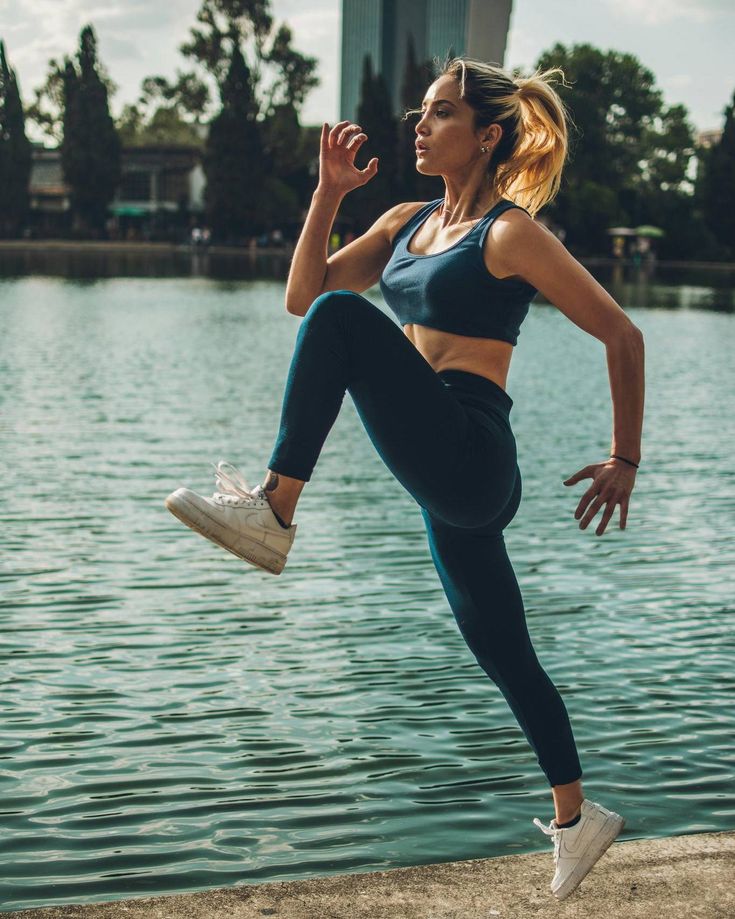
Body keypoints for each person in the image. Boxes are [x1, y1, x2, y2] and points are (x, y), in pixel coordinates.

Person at [164, 55, 644, 901]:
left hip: (469, 446)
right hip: (440, 473)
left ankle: (275, 508)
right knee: (504, 651)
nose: (420, 126)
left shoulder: (510, 231)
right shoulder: (402, 221)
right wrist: (326, 194)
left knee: (347, 320)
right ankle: (577, 817)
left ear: (486, 136)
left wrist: (623, 457)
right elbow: (301, 295)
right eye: (421, 113)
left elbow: (620, 334)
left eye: (441, 114)